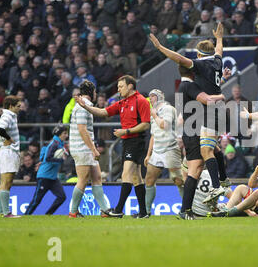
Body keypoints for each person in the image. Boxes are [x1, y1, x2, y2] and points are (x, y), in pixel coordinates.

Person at [149, 23, 231, 207]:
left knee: (206, 150)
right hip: (214, 112)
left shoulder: (200, 64)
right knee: (214, 149)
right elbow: (219, 51)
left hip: (211, 112)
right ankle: (224, 179)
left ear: (199, 54)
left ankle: (217, 186)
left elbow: (179, 59)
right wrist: (219, 38)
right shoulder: (217, 62)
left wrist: (161, 48)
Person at [75, 75, 150, 218]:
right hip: (127, 141)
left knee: (126, 173)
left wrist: (125, 131)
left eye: (121, 86)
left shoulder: (141, 101)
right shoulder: (122, 103)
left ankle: (118, 209)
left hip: (136, 140)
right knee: (136, 177)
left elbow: (146, 124)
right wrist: (86, 106)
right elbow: (103, 112)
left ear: (130, 86)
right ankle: (143, 212)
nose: (118, 89)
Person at [173, 65, 226, 220]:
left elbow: (205, 92)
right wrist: (220, 97)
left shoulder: (184, 86)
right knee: (194, 171)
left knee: (215, 151)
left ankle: (221, 181)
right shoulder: (189, 86)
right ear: (193, 72)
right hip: (194, 132)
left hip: (194, 131)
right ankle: (185, 210)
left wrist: (222, 79)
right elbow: (208, 99)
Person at [68, 80, 110, 218]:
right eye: (95, 91)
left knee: (97, 177)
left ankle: (105, 210)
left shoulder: (85, 105)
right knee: (83, 180)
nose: (96, 94)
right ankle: (73, 211)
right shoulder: (82, 107)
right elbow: (82, 129)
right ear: (92, 92)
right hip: (82, 147)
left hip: (85, 147)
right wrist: (93, 149)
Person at [143, 89, 184, 216]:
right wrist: (148, 154)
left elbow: (164, 125)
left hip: (170, 148)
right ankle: (146, 211)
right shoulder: (152, 113)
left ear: (160, 97)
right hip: (156, 151)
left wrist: (154, 115)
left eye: (153, 96)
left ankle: (187, 208)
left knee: (178, 179)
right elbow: (153, 135)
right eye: (149, 96)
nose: (151, 99)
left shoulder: (168, 109)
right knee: (149, 180)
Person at [25, 126, 69, 215]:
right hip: (44, 176)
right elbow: (48, 158)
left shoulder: (59, 143)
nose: (67, 135)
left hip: (52, 177)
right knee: (37, 200)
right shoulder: (54, 144)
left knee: (62, 197)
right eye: (65, 133)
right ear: (59, 134)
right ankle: (26, 216)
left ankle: (48, 215)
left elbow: (44, 155)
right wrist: (61, 160)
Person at [0, 96, 22, 217]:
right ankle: (6, 213)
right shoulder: (7, 116)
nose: (20, 108)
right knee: (6, 181)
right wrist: (9, 139)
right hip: (7, 152)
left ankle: (1, 212)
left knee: (6, 182)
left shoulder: (11, 116)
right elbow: (0, 129)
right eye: (18, 106)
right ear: (11, 106)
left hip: (8, 152)